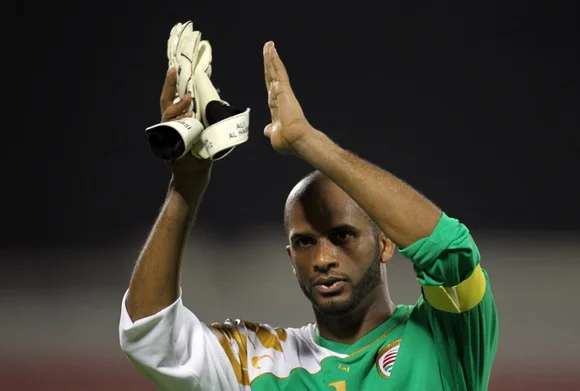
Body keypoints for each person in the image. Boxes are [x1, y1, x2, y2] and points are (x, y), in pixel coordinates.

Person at [119, 41, 498, 391]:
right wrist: (185, 187)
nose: (322, 259)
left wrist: (307, 142)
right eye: (305, 242)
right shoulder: (257, 362)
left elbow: (449, 250)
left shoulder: (445, 333)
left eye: (342, 236)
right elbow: (150, 335)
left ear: (385, 243)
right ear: (290, 256)